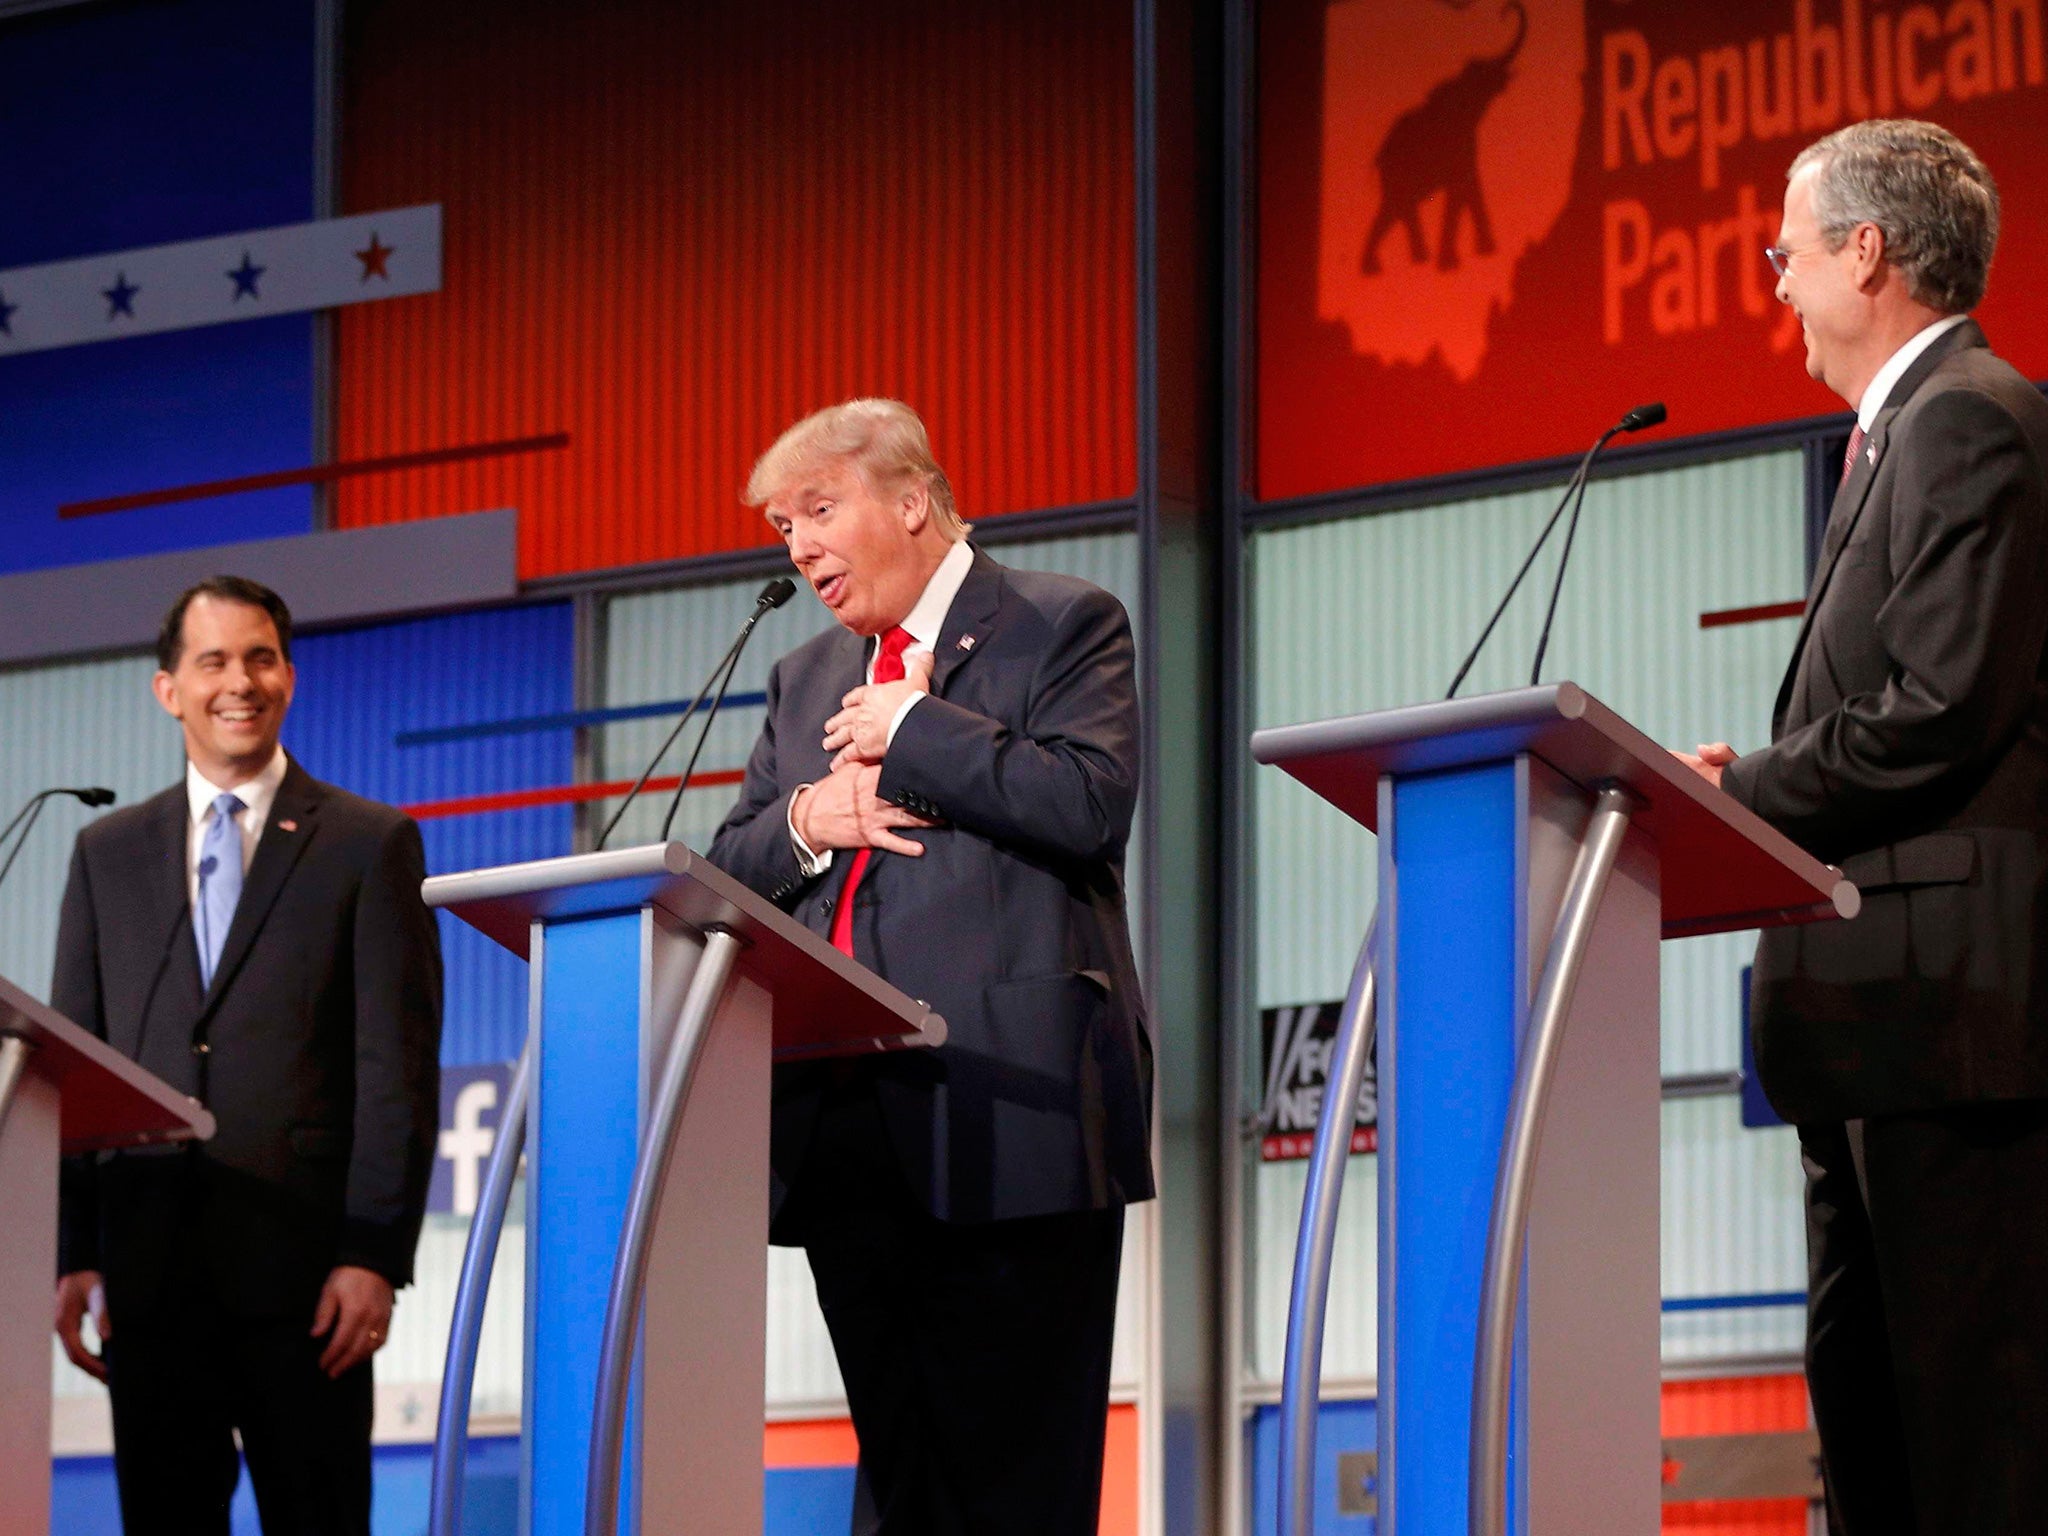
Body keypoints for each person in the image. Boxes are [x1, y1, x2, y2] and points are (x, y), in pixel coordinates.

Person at [1676, 121, 2048, 1534]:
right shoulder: (1901, 430)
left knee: (1969, 1442)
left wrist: (1744, 793)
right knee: (1884, 1432)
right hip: (1879, 1026)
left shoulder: (1968, 416)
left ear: (1867, 252)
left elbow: (1944, 704)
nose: (1777, 285)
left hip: (1945, 1021)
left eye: (1787, 252)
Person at [709, 399, 1153, 1534]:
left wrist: (913, 730)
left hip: (1012, 1109)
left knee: (1016, 1482)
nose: (798, 546)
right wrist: (813, 813)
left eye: (817, 509)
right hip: (845, 1122)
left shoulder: (1061, 623)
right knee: (899, 1481)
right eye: (780, 527)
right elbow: (731, 865)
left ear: (910, 501)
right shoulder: (802, 676)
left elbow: (1087, 805)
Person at [50, 576, 443, 1535]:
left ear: (290, 677)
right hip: (148, 1276)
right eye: (214, 660)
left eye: (260, 657)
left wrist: (371, 1257)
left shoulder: (369, 842)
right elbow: (76, 1063)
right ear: (168, 688)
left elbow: (397, 1067)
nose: (241, 681)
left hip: (309, 1285)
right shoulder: (107, 851)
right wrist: (70, 1252)